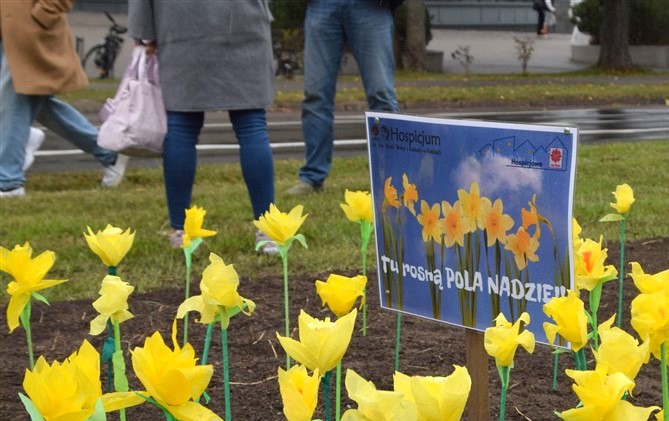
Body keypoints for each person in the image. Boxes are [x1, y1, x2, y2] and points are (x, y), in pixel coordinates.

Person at [128, 0, 277, 251]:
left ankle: (180, 230)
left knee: (182, 128)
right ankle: (268, 231)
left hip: (178, 23)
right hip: (243, 19)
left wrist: (143, 29)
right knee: (251, 126)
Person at [0, 0, 128, 198]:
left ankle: (9, 182)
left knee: (16, 99)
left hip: (27, 30)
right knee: (32, 100)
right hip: (11, 29)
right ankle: (107, 152)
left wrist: (41, 14)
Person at [286, 0, 400, 196]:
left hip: (372, 7)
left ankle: (390, 178)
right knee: (316, 95)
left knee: (381, 95)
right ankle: (312, 178)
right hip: (323, 5)